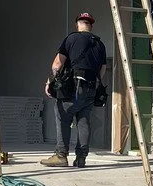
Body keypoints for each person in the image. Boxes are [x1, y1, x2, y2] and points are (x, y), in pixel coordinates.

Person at [40, 11, 108, 169]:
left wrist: (49, 82)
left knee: (63, 117)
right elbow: (103, 69)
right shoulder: (100, 44)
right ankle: (81, 158)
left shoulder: (71, 38)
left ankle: (61, 155)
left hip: (72, 89)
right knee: (84, 122)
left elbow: (57, 64)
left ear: (78, 24)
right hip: (91, 89)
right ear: (91, 25)